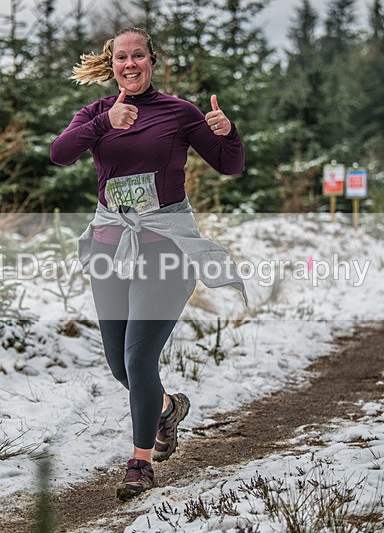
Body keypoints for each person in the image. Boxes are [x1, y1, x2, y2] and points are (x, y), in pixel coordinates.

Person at [50, 26, 246, 501]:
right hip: (108, 249)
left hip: (165, 248)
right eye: (122, 57)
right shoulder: (97, 113)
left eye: (139, 55)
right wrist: (104, 125)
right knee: (121, 365)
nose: (130, 63)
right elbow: (60, 154)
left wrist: (229, 132)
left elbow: (229, 165)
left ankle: (139, 463)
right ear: (111, 63)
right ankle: (166, 408)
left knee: (140, 357)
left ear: (152, 61)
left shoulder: (179, 112)